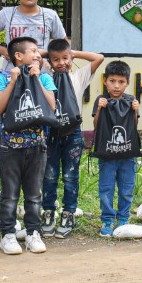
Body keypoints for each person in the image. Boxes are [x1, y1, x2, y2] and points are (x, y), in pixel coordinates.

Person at [0, 37, 56, 255]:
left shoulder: (44, 78)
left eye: (39, 52)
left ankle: (32, 233)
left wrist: (36, 80)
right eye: (34, 51)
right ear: (18, 56)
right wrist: (12, 81)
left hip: (37, 147)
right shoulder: (2, 78)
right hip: (10, 147)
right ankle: (8, 234)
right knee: (9, 194)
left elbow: (52, 106)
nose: (39, 55)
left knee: (34, 194)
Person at [42, 39, 104, 238]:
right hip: (50, 133)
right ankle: (48, 213)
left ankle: (69, 213)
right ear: (49, 62)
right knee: (49, 175)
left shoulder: (78, 76)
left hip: (73, 133)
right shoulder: (45, 77)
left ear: (71, 58)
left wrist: (73, 53)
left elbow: (99, 58)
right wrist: (49, 55)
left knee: (70, 175)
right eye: (56, 59)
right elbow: (34, 56)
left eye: (65, 58)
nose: (61, 63)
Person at [92, 60, 141, 237]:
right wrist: (99, 109)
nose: (116, 85)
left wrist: (135, 110)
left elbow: (134, 125)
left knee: (127, 186)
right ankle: (107, 219)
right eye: (112, 81)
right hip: (107, 153)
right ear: (105, 81)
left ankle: (123, 219)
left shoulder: (131, 100)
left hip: (128, 153)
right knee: (106, 188)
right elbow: (96, 124)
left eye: (121, 82)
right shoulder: (101, 99)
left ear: (127, 82)